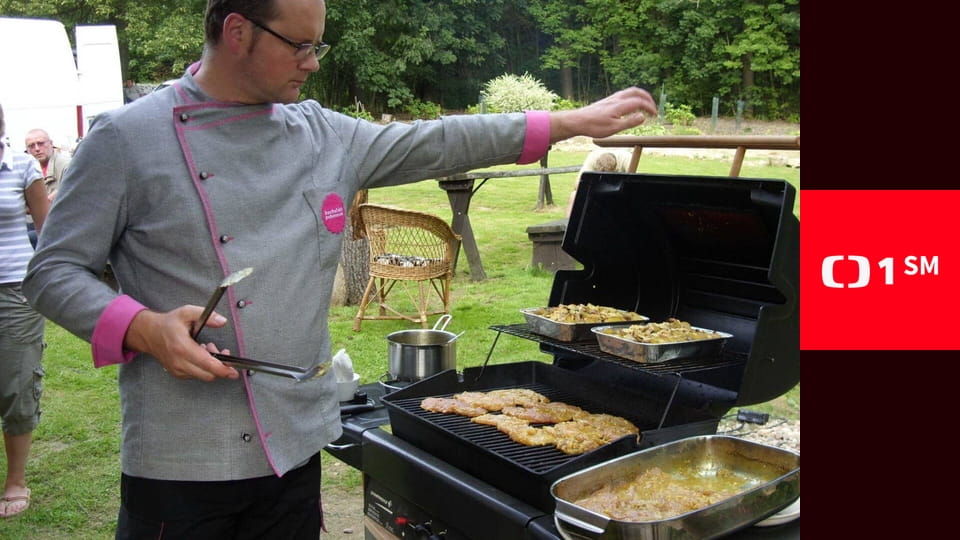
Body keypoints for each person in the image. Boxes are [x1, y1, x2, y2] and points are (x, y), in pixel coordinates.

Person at [23, 0, 657, 537]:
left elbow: (438, 140)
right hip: (183, 458)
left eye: (317, 46)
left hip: (295, 445)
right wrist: (143, 328)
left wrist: (567, 123)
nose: (313, 62)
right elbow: (53, 272)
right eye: (300, 46)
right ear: (238, 32)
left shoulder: (321, 133)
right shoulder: (128, 138)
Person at [0, 102, 50, 519]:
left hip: (15, 290)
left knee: (16, 385)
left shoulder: (21, 166)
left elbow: (47, 231)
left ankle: (15, 480)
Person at [566, 148, 633, 216]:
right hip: (597, 190)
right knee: (573, 195)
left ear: (615, 167)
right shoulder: (592, 158)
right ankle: (568, 221)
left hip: (619, 191)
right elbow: (577, 184)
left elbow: (632, 184)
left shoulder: (626, 158)